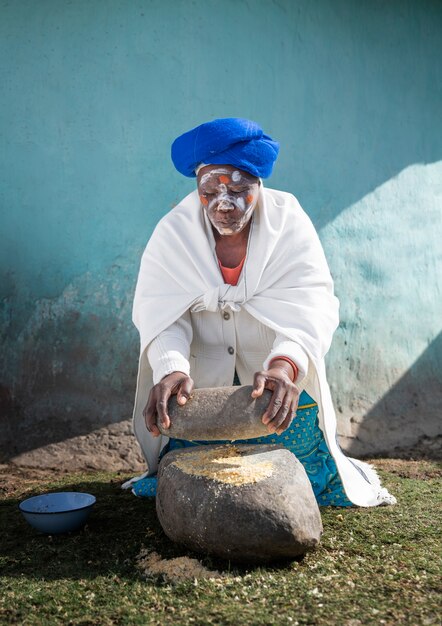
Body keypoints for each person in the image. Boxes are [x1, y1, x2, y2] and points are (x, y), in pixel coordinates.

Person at [125, 117, 396, 507]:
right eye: (209, 192)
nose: (223, 204)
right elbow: (161, 312)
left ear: (258, 184)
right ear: (197, 188)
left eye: (238, 189)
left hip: (275, 384)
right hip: (202, 387)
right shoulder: (173, 233)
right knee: (198, 473)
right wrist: (170, 367)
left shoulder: (289, 223)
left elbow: (311, 303)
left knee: (296, 478)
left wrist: (285, 365)